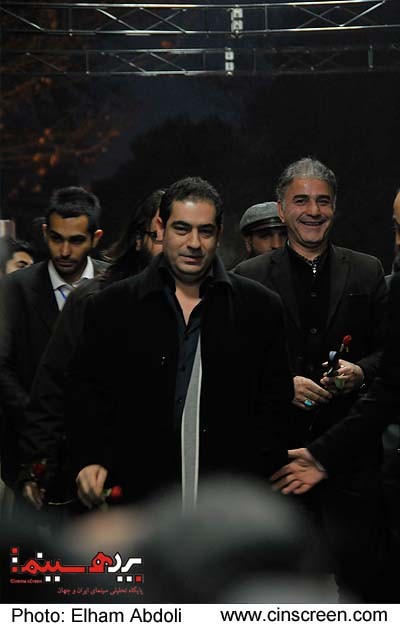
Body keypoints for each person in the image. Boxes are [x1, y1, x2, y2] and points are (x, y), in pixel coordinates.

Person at [65, 176, 293, 512]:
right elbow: (85, 394)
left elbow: (275, 406)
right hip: (136, 503)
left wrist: (256, 482)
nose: (194, 243)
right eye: (182, 229)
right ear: (161, 227)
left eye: (205, 231)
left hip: (231, 505)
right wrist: (89, 459)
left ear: (219, 233)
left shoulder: (260, 308)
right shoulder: (111, 307)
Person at [235, 157, 388, 602]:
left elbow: (390, 354)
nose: (313, 211)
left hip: (352, 460)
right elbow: (233, 369)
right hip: (276, 463)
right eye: (301, 200)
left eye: (323, 201)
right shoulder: (248, 278)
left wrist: (361, 372)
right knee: (275, 591)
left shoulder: (367, 270)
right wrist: (283, 385)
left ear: (335, 207)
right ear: (281, 209)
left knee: (363, 593)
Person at [18, 189, 165, 511]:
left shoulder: (205, 300)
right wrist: (36, 468)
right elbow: (52, 388)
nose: (175, 245)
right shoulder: (95, 299)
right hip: (101, 477)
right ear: (139, 239)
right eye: (161, 235)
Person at [0, 186, 107, 492]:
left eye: (76, 240)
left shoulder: (116, 286)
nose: (64, 251)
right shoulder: (14, 289)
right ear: (45, 232)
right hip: (29, 449)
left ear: (96, 238)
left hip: (99, 452)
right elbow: (2, 367)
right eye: (56, 238)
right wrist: (40, 423)